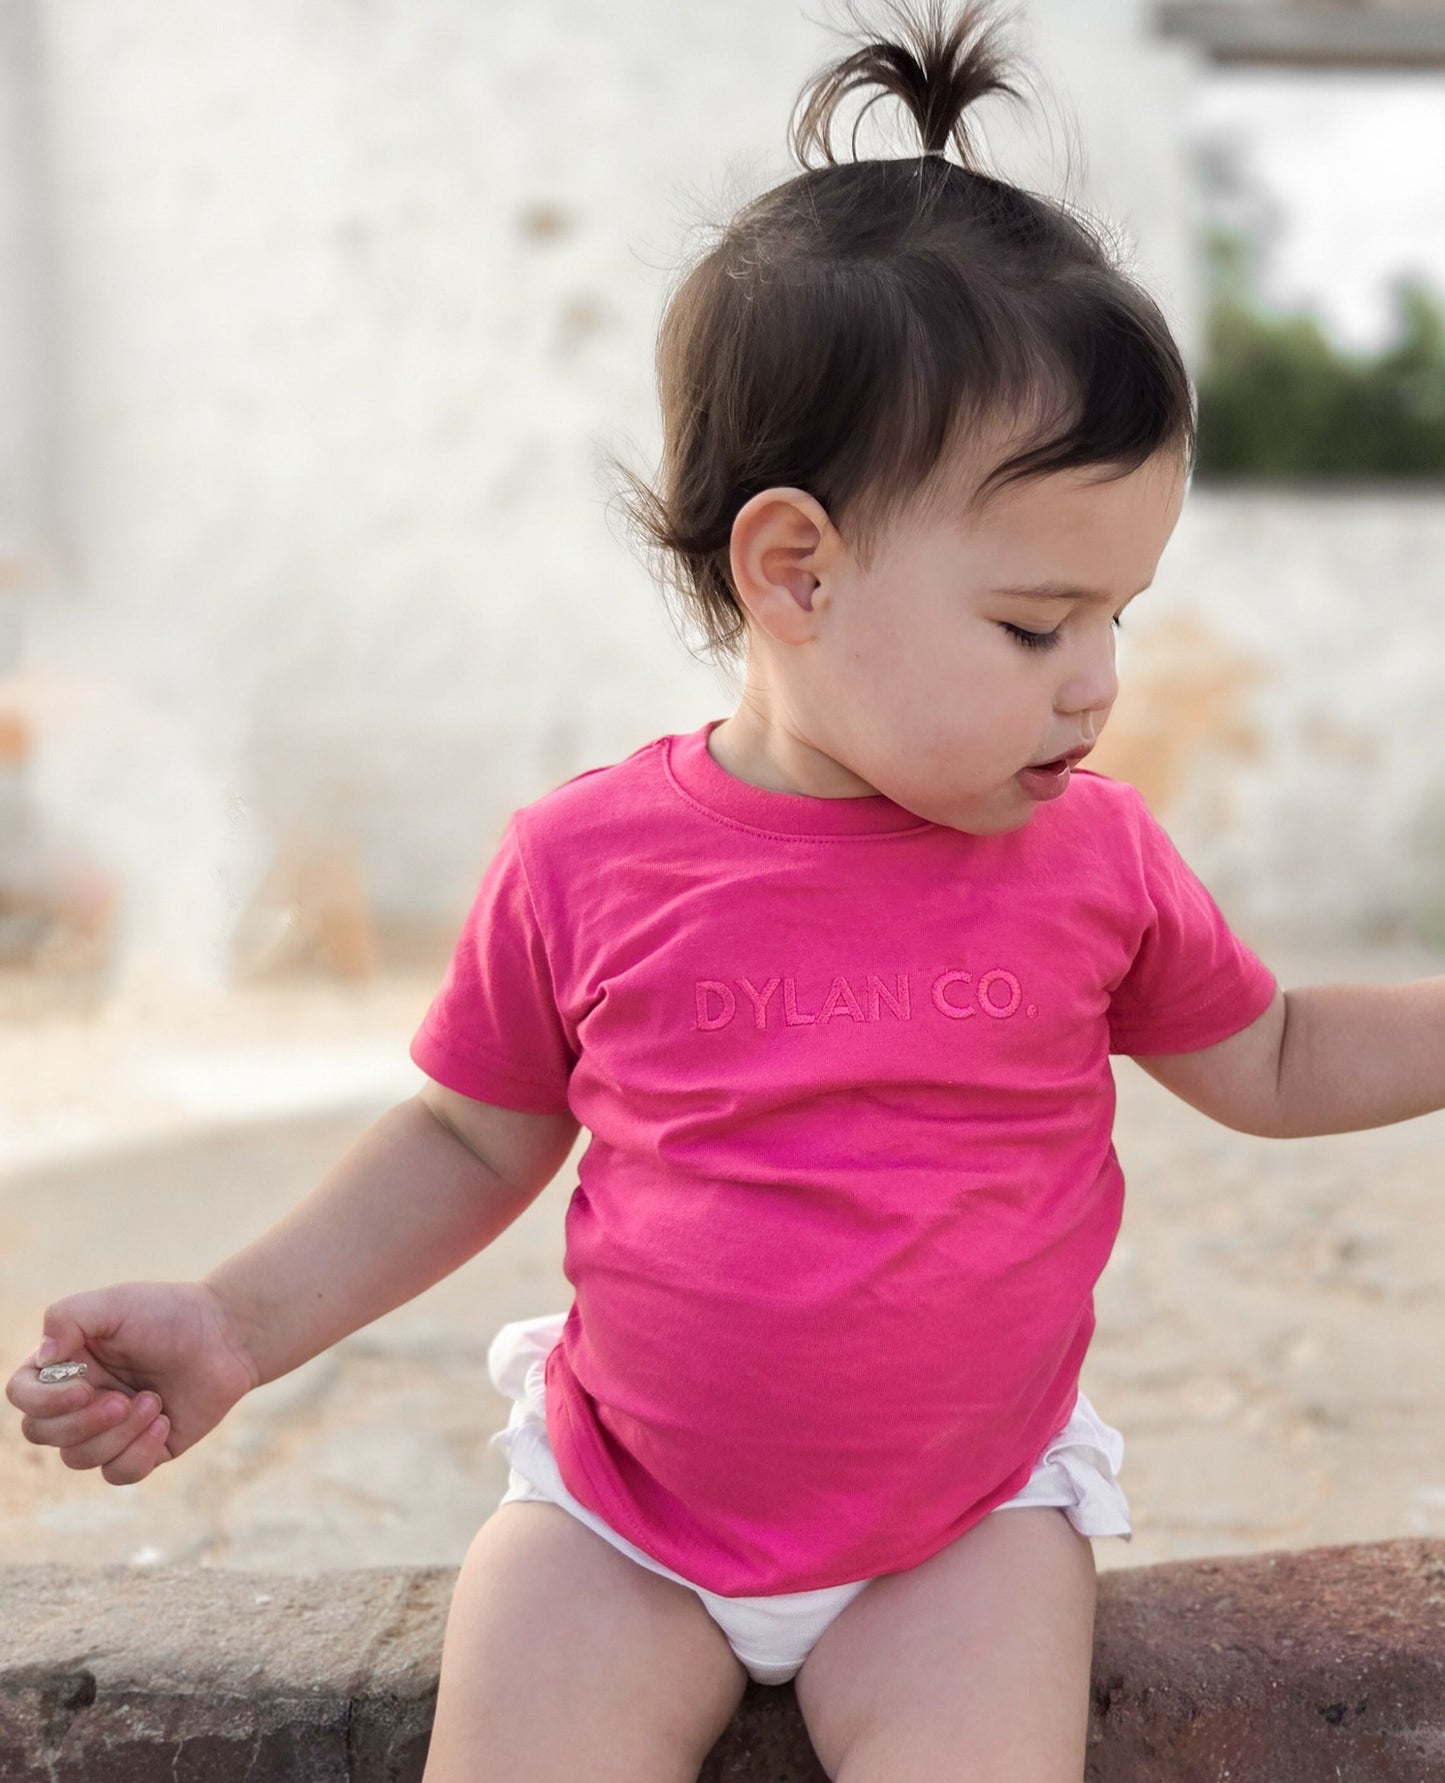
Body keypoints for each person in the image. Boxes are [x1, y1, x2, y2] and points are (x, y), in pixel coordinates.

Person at [9, 3, 1444, 1778]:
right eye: (1034, 623)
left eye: (1115, 618)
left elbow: (1283, 1057)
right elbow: (468, 1142)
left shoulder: (1094, 862)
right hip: (622, 1524)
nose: (1097, 683)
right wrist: (237, 1321)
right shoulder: (586, 864)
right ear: (795, 572)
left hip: (958, 1537)